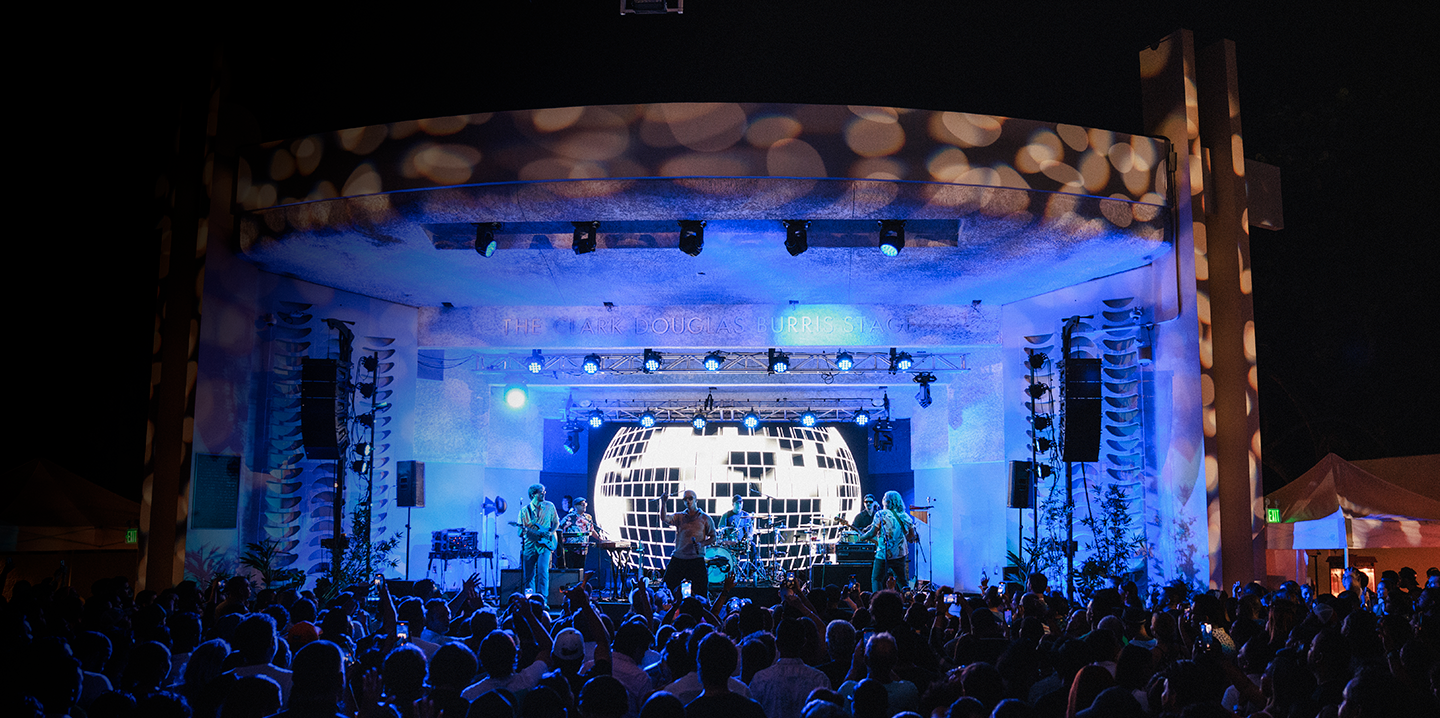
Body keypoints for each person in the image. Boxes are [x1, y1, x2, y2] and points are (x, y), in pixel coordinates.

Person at [659, 489, 717, 599]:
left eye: (690, 498)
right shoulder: (679, 516)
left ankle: (701, 614)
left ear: (696, 500)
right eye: (685, 499)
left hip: (696, 558)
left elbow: (713, 537)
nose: (688, 501)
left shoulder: (705, 518)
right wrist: (664, 503)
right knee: (667, 588)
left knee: (701, 591)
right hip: (679, 557)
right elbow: (664, 518)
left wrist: (702, 544)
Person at [855, 491, 914, 590]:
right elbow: (911, 535)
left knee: (877, 579)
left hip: (883, 553)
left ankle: (876, 602)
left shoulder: (881, 514)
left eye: (884, 497)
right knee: (902, 580)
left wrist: (861, 538)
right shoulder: (905, 516)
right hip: (900, 554)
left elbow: (872, 533)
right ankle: (907, 601)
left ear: (887, 501)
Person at [518, 482, 559, 598]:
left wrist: (551, 532)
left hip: (544, 545)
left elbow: (556, 522)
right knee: (529, 575)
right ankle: (529, 599)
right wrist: (524, 531)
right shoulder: (524, 511)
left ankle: (542, 600)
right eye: (541, 492)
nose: (544, 494)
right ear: (533, 494)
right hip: (530, 545)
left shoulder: (549, 506)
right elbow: (519, 533)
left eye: (544, 492)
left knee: (542, 571)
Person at [559, 497, 600, 571]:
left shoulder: (588, 517)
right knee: (571, 571)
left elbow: (592, 530)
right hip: (571, 549)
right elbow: (559, 529)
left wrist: (600, 539)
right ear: (575, 506)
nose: (584, 506)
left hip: (583, 549)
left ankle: (580, 582)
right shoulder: (569, 517)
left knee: (580, 570)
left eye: (585, 504)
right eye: (582, 504)